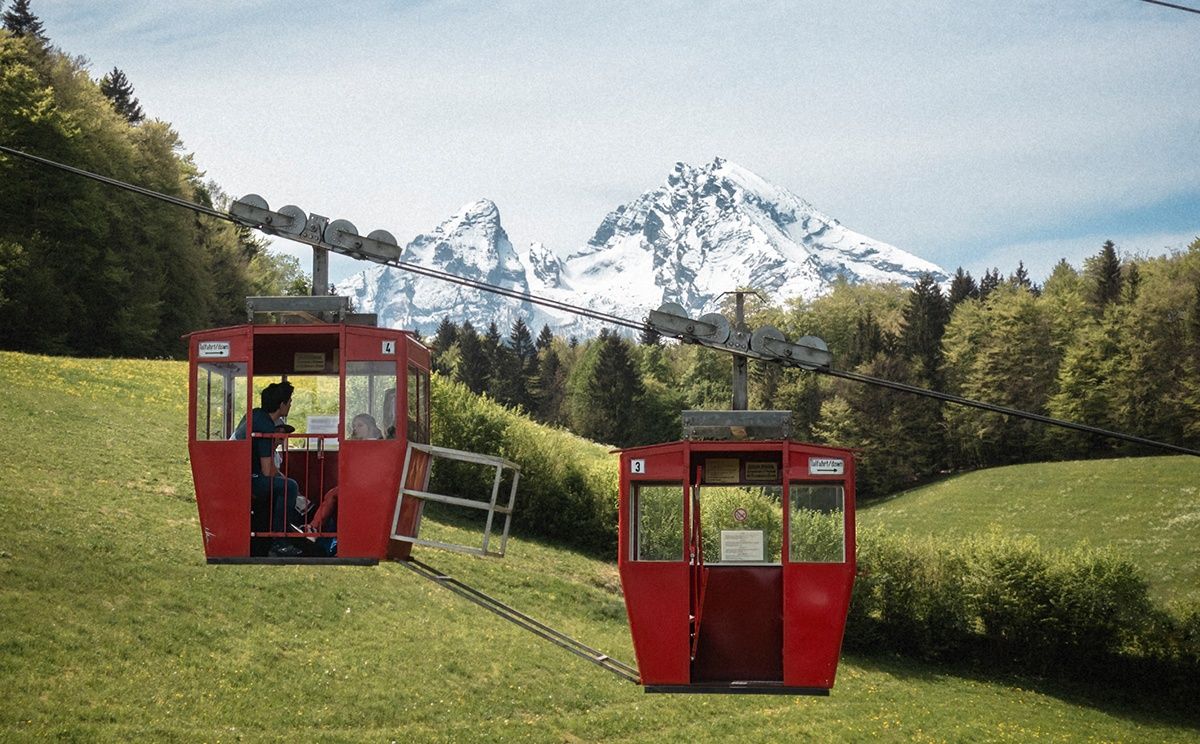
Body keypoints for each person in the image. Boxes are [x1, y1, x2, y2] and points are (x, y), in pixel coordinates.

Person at [238, 381, 305, 557]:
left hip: (238, 473)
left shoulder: (255, 415)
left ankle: (268, 541)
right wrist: (283, 479)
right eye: (289, 401)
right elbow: (267, 471)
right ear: (282, 404)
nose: (290, 405)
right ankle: (279, 541)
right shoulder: (266, 426)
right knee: (289, 486)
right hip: (247, 478)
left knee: (279, 486)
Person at [304, 413, 384, 551]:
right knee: (333, 494)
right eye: (354, 427)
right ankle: (317, 531)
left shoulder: (372, 444)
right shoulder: (358, 444)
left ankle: (314, 528)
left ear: (370, 426)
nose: (356, 429)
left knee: (333, 494)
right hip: (360, 484)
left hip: (370, 486)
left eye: (360, 425)